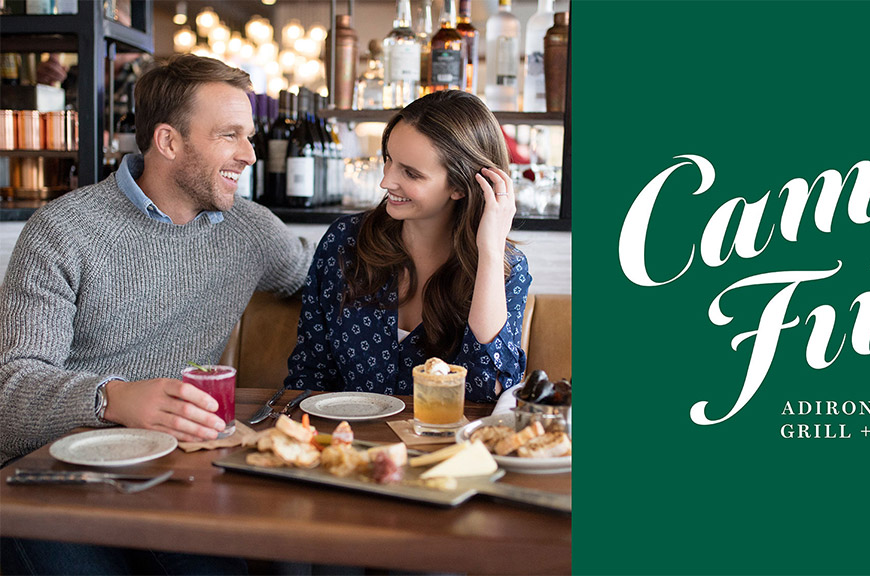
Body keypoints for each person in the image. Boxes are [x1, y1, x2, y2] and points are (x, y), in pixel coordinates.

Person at [0, 54, 315, 573]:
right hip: (57, 474)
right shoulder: (63, 230)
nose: (250, 155)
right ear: (168, 142)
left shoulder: (251, 231)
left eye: (249, 136)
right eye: (229, 135)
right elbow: (9, 390)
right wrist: (113, 398)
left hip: (174, 471)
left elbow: (333, 279)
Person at [286, 90, 530, 402]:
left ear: (460, 186)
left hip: (450, 449)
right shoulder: (345, 241)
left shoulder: (506, 267)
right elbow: (308, 373)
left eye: (410, 173)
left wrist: (490, 254)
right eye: (387, 160)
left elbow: (488, 390)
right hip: (350, 444)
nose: (385, 181)